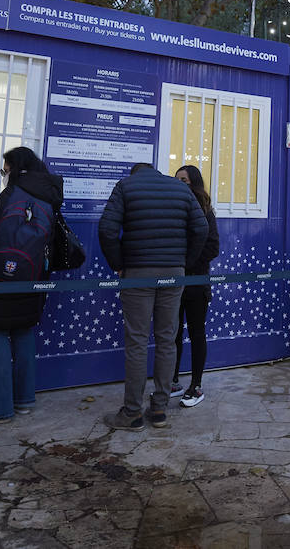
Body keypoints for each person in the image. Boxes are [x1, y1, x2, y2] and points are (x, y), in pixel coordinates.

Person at [98, 162, 209, 430]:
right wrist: (184, 261)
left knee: (137, 341)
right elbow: (202, 228)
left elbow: (107, 229)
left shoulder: (125, 186)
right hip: (174, 273)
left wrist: (118, 264)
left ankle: (132, 413)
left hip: (138, 273)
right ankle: (159, 409)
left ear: (135, 174)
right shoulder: (180, 189)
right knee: (167, 339)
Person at [0, 146, 63, 422]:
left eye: (4, 168)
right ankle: (25, 400)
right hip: (33, 277)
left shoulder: (14, 191)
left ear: (14, 167)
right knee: (23, 331)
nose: (3, 173)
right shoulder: (51, 192)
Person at [169, 164, 220, 407]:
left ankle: (196, 386)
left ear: (194, 182)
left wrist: (187, 263)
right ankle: (172, 381)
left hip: (197, 283)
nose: (180, 183)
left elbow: (213, 248)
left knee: (197, 333)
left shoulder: (206, 210)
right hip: (174, 282)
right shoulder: (171, 209)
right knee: (173, 333)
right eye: (177, 179)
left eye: (184, 180)